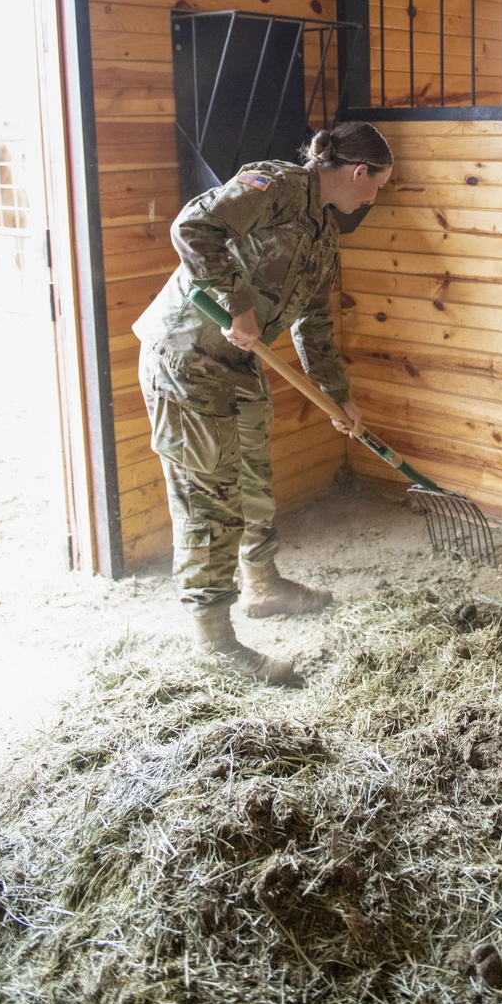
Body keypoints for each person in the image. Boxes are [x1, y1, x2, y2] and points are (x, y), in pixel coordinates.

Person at [133, 121, 394, 686]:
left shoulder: (324, 232)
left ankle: (264, 585)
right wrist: (237, 299)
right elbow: (193, 226)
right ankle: (213, 641)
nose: (374, 197)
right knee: (209, 497)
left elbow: (316, 325)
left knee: (252, 477)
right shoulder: (273, 185)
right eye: (377, 186)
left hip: (239, 365)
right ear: (358, 172)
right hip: (187, 357)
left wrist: (337, 397)